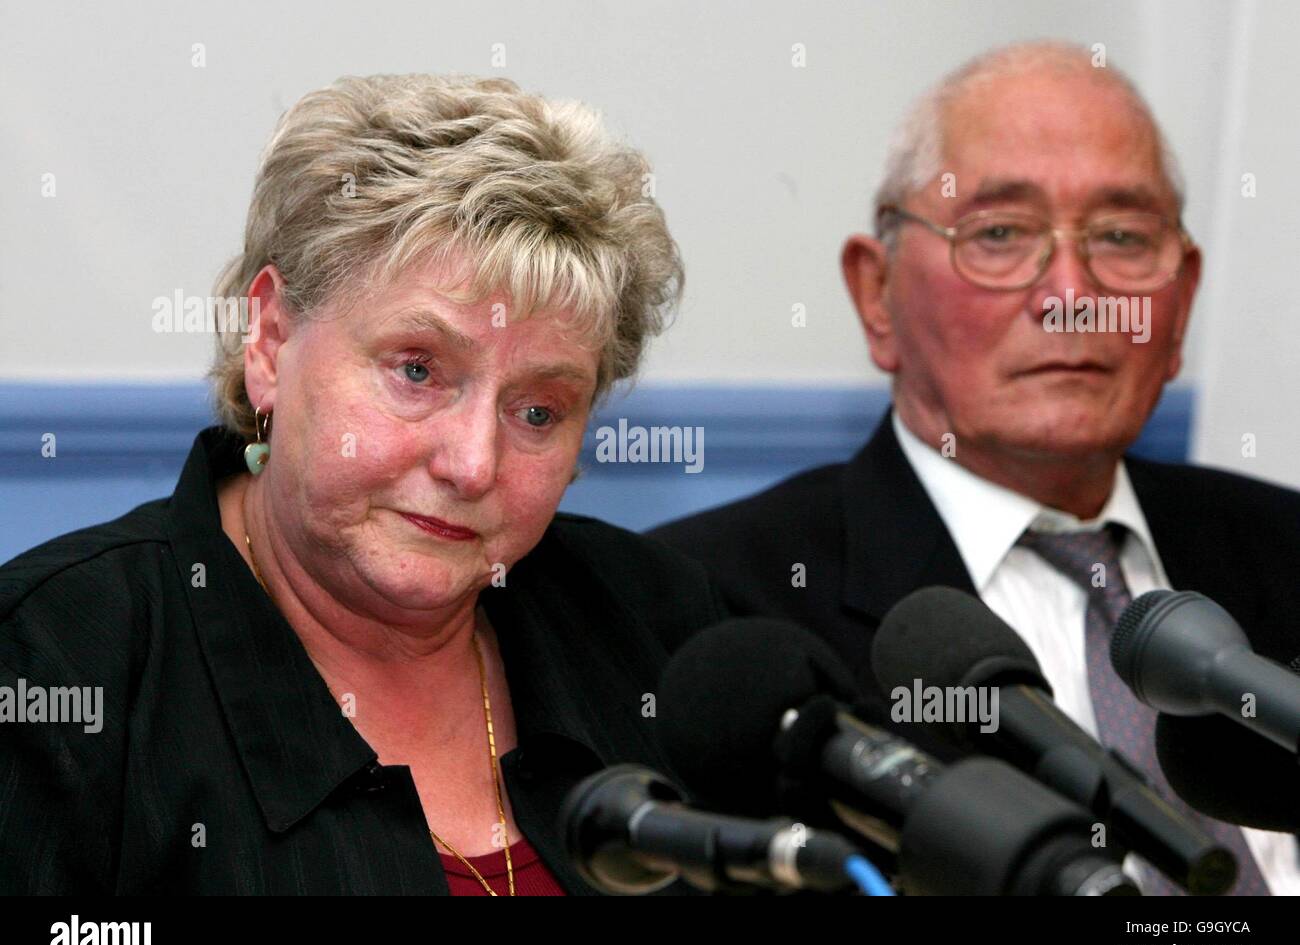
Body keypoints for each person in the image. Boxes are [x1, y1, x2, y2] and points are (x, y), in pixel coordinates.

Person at [0, 73, 722, 895]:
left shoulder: (664, 628)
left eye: (537, 410)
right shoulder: (53, 665)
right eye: (417, 370)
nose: (472, 463)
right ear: (270, 341)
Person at [653, 41, 1300, 895]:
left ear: (1179, 306)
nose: (1073, 292)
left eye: (1121, 235)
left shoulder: (1286, 546)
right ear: (875, 294)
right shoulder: (713, 603)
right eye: (999, 233)